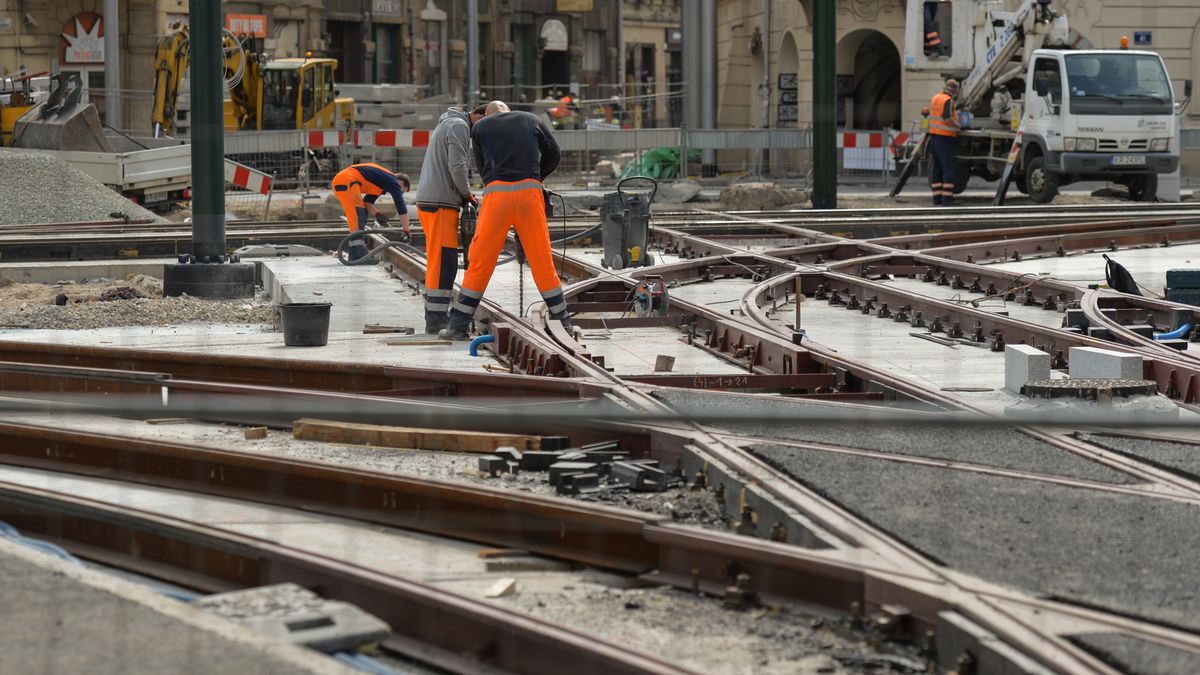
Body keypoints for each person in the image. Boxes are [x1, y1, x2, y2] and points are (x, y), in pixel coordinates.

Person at [439, 100, 566, 340]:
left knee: (480, 259)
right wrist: (536, 177)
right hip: (530, 193)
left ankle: (457, 327)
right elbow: (554, 153)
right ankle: (564, 324)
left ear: (487, 114)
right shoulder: (531, 119)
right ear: (507, 110)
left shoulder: (480, 127)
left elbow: (481, 164)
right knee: (541, 258)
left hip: (496, 195)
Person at [414, 104, 487, 333]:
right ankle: (435, 318)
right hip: (440, 203)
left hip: (434, 201)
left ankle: (435, 315)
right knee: (443, 261)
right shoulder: (458, 126)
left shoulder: (450, 123)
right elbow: (457, 166)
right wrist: (466, 194)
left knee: (440, 259)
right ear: (480, 116)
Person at [331, 163, 411, 260]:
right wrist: (406, 230)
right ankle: (357, 252)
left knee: (360, 213)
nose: (400, 192)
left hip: (345, 181)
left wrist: (377, 214)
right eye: (402, 191)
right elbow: (401, 207)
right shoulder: (393, 181)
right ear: (401, 183)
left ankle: (356, 251)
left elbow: (367, 202)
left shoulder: (381, 183)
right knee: (358, 215)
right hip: (348, 181)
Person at [928, 78, 961, 207]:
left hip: (934, 136)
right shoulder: (948, 100)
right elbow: (947, 118)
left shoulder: (936, 97)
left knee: (937, 168)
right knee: (948, 168)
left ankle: (937, 199)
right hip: (945, 138)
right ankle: (947, 199)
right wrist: (958, 126)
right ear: (953, 91)